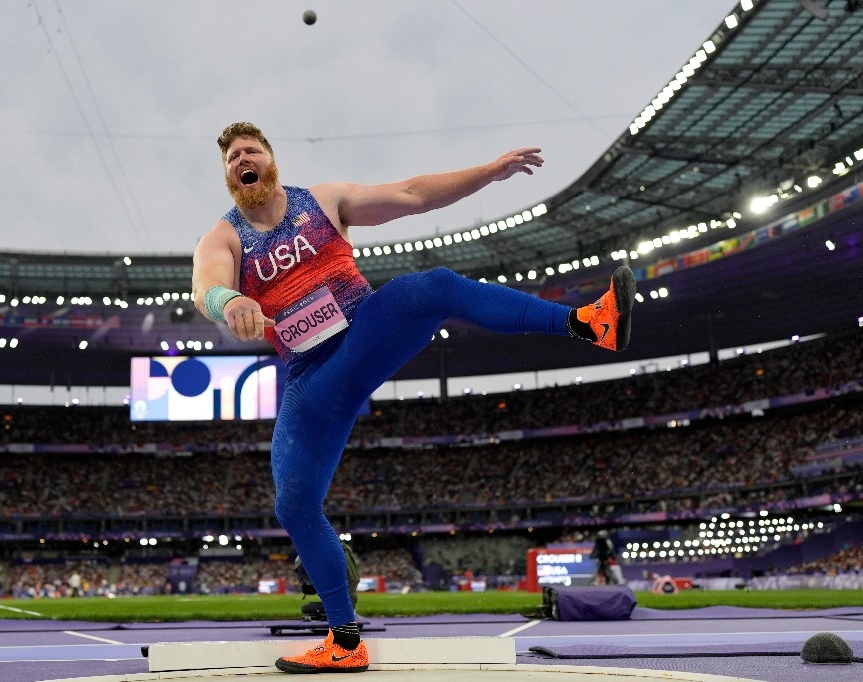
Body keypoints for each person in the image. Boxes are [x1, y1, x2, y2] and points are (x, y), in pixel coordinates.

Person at [192, 122, 637, 674]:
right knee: (293, 503)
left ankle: (587, 323)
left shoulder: (324, 201)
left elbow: (411, 194)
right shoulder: (224, 237)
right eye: (233, 158)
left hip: (363, 333)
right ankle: (344, 641)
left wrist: (489, 172)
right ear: (230, 177)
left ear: (271, 159)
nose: (242, 159)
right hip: (312, 380)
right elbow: (206, 285)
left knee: (433, 287)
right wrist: (228, 300)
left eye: (250, 150)